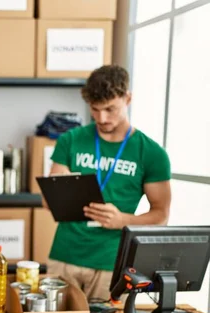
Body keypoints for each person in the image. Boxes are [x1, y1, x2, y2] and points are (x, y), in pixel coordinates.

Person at [46, 65, 172, 301]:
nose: (102, 118)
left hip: (111, 263)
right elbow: (49, 198)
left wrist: (123, 220)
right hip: (64, 256)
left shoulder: (152, 154)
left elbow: (161, 215)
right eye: (95, 110)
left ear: (128, 98)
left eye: (110, 109)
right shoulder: (70, 140)